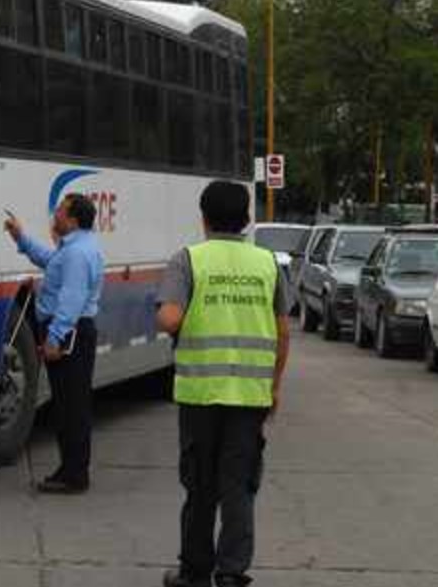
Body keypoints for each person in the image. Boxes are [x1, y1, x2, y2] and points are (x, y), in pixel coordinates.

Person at [156, 181, 291, 587]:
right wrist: (275, 386)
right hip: (250, 397)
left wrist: (162, 309)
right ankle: (232, 573)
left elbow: (170, 319)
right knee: (239, 487)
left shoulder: (188, 260)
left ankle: (194, 571)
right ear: (246, 220)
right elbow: (283, 332)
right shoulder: (267, 263)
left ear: (204, 218)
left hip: (200, 395)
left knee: (200, 486)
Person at [4, 194, 104, 494]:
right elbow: (49, 262)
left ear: (72, 219)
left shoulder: (76, 253)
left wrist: (54, 337)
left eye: (60, 210)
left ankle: (73, 475)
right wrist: (20, 237)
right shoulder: (76, 248)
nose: (55, 214)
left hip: (70, 336)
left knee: (71, 408)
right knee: (70, 405)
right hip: (74, 333)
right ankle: (71, 470)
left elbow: (71, 300)